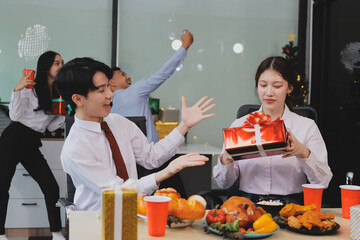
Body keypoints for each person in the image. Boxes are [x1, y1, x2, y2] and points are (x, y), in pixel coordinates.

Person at [53, 57, 215, 211]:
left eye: (109, 87)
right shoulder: (75, 149)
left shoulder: (118, 122)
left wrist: (184, 126)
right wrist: (167, 172)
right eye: (102, 90)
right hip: (97, 220)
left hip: (133, 214)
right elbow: (118, 192)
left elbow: (152, 157)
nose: (110, 95)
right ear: (78, 99)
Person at [213, 56, 333, 204]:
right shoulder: (240, 125)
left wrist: (303, 152)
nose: (269, 92)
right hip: (248, 207)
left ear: (289, 88)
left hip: (292, 208)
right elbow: (223, 183)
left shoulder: (306, 126)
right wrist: (226, 159)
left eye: (277, 86)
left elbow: (323, 182)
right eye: (263, 85)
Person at [0, 51, 65, 240]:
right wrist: (18, 89)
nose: (60, 66)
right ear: (46, 67)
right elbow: (15, 117)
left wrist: (62, 112)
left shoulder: (58, 93)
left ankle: (56, 232)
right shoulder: (32, 87)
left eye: (62, 62)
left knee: (51, 187)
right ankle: (1, 234)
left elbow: (51, 126)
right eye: (56, 63)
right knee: (2, 188)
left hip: (31, 143)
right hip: (12, 139)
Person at [109, 29, 194, 143]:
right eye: (122, 75)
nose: (128, 77)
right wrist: (185, 46)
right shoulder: (134, 91)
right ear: (112, 82)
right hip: (148, 156)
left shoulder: (108, 108)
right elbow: (163, 73)